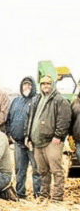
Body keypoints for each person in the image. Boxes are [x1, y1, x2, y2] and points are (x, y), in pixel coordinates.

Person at [26, 74, 70, 202]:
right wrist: (28, 136)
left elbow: (64, 119)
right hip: (38, 142)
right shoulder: (37, 99)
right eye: (43, 84)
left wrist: (58, 135)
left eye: (48, 84)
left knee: (56, 170)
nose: (46, 86)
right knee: (42, 171)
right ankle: (44, 195)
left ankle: (57, 197)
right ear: (40, 86)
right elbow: (30, 119)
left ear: (52, 85)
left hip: (52, 141)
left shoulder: (59, 100)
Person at [8, 76, 41, 199]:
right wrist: (10, 133)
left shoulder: (38, 100)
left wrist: (32, 138)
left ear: (33, 87)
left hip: (33, 143)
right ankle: (20, 193)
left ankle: (38, 194)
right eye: (24, 85)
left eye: (29, 85)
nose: (26, 87)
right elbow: (9, 118)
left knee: (36, 170)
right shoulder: (16, 101)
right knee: (19, 170)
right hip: (18, 143)